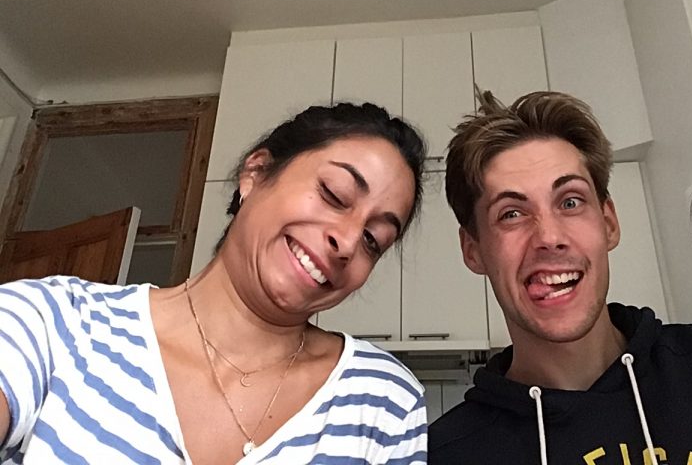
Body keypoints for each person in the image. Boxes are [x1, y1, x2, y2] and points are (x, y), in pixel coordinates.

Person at [0, 101, 428, 464]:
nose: (348, 242)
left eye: (374, 240)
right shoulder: (54, 321)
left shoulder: (384, 400)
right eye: (334, 194)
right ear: (256, 173)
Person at [428, 89, 692, 464]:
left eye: (570, 202)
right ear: (473, 250)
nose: (549, 238)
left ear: (608, 223)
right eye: (511, 214)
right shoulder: (444, 455)